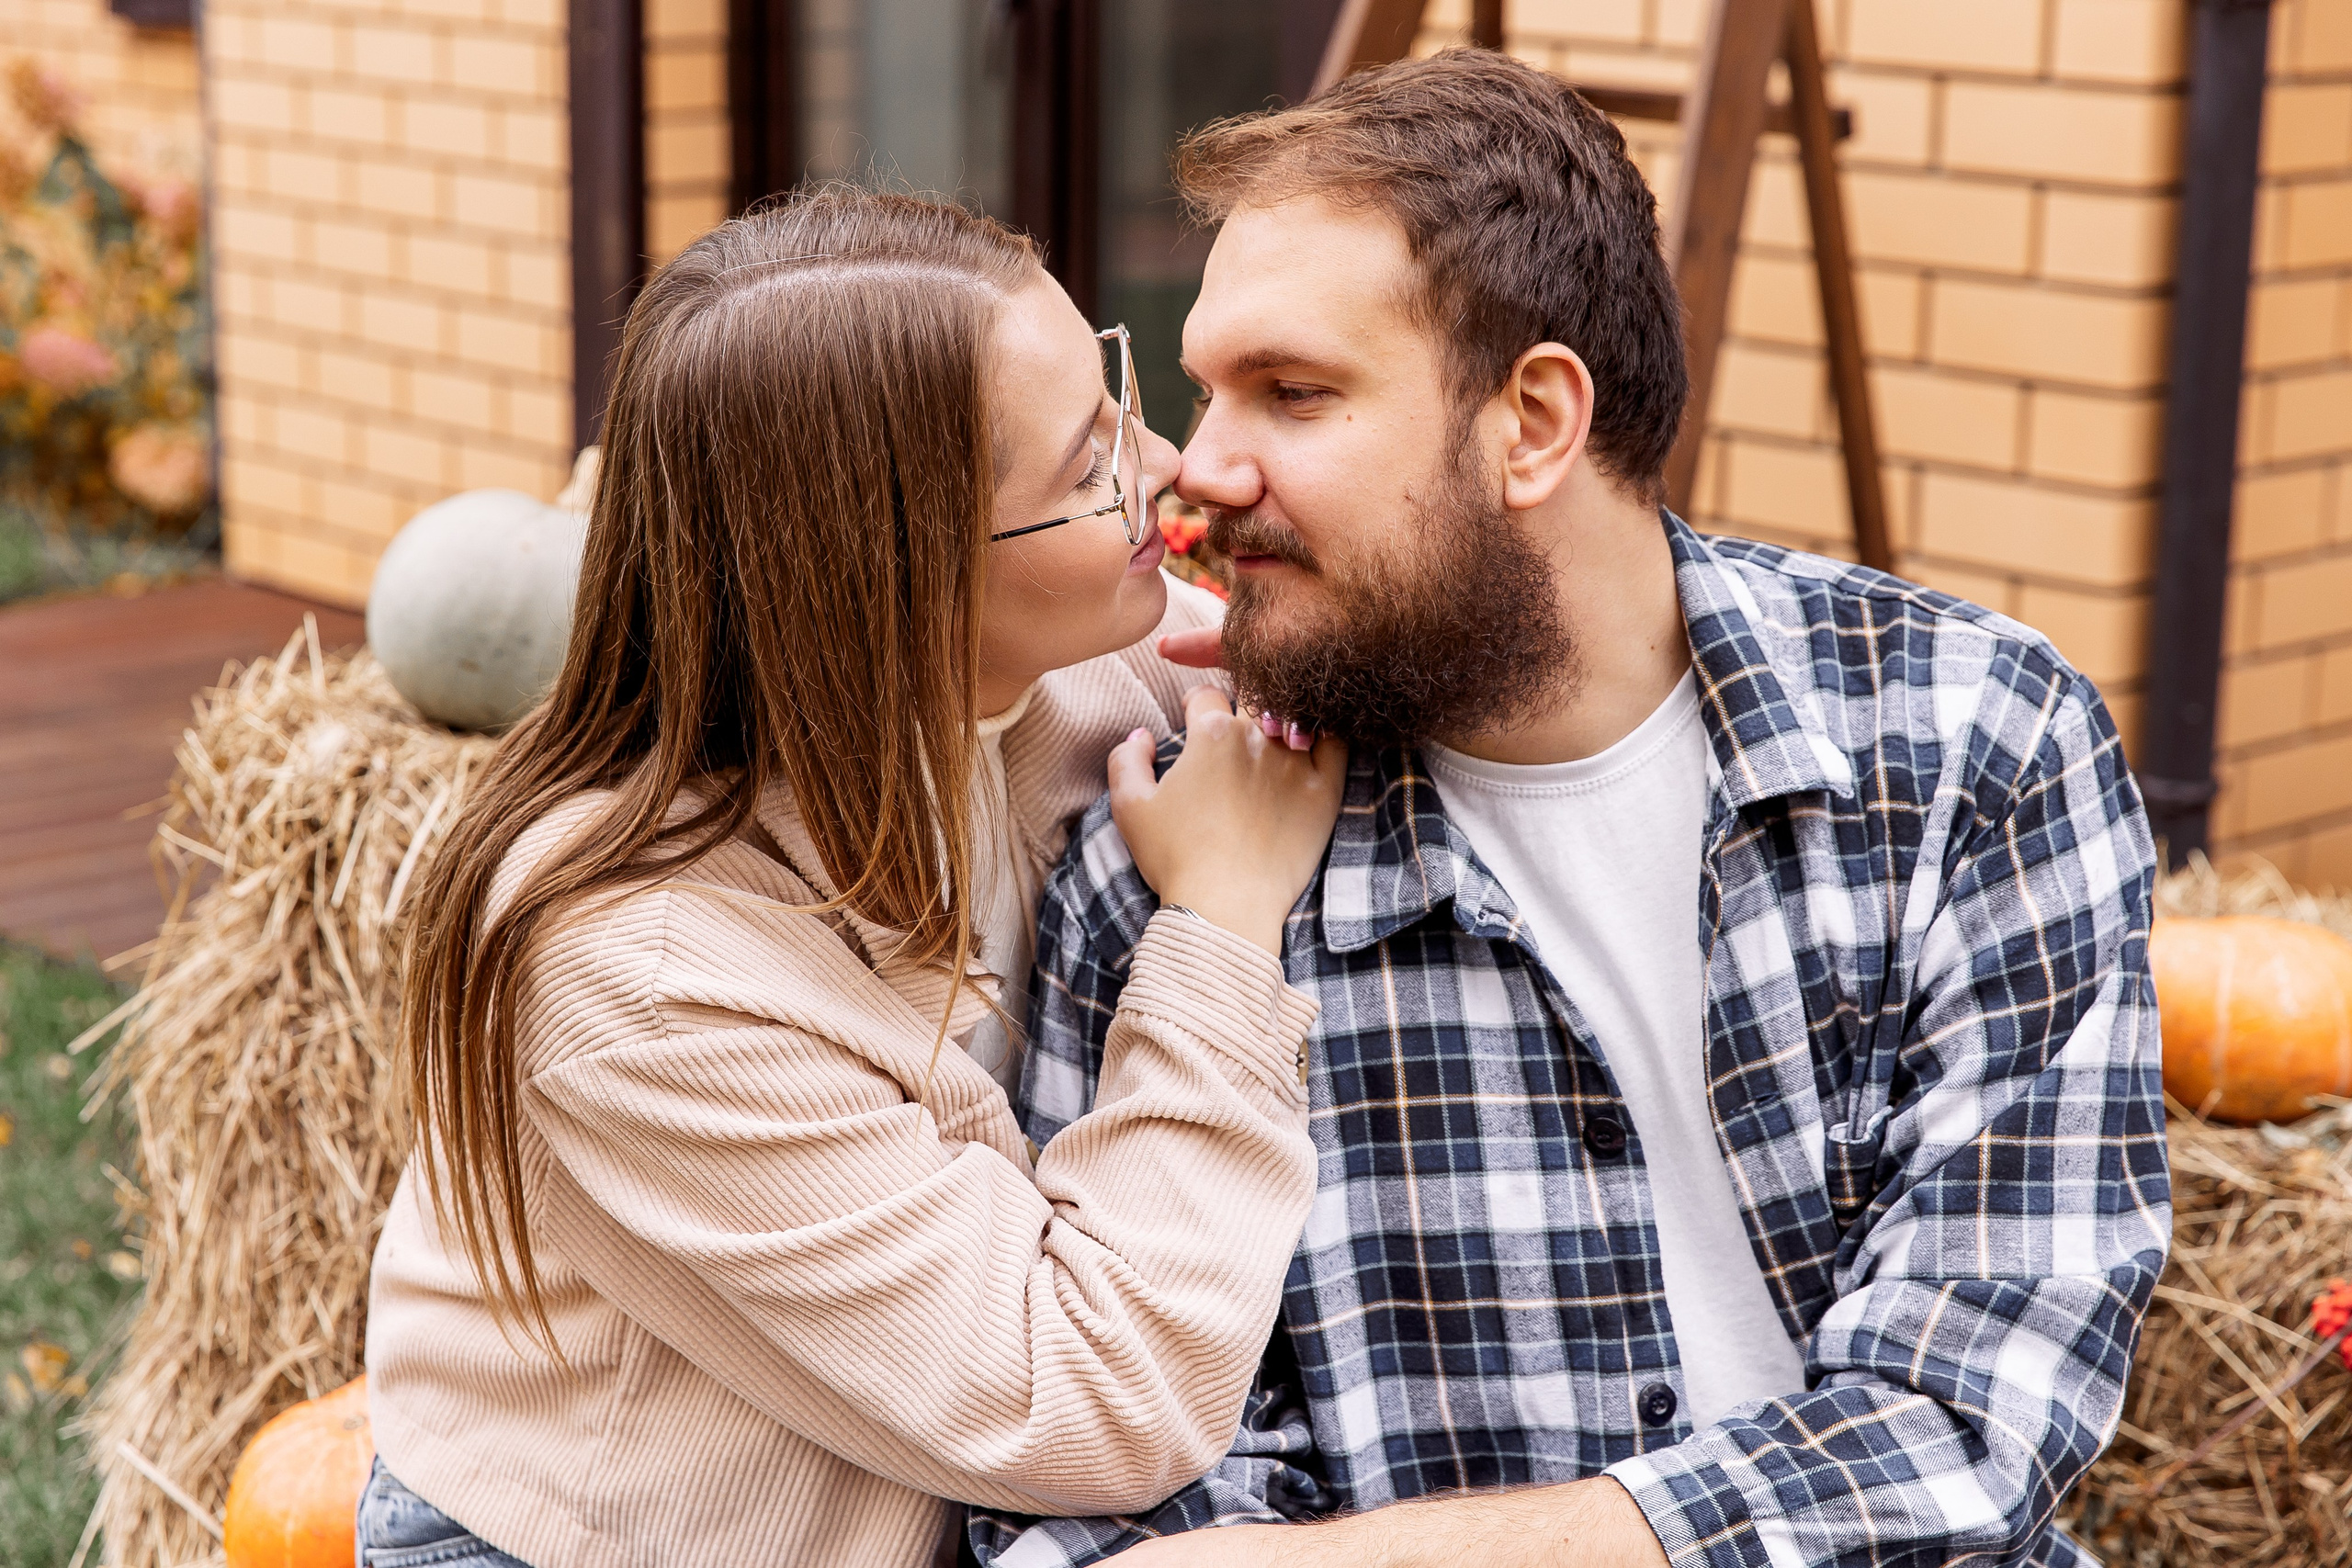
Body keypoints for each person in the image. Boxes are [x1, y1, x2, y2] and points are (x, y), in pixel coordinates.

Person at [987, 51, 2168, 1568]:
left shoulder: (1972, 748)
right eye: (1206, 387)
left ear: (1535, 420)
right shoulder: (1175, 872)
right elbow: (1100, 1484)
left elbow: (1968, 1420)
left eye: (1293, 393)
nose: (1197, 470)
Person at [362, 187, 1351, 1568]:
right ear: (885, 581)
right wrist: (1223, 924)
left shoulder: (1067, 667)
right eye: (1085, 469)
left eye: (1116, 392)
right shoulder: (640, 978)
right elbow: (1094, 1406)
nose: (1170, 460)